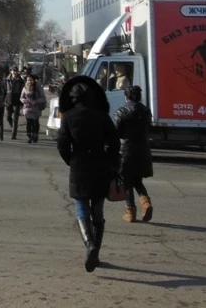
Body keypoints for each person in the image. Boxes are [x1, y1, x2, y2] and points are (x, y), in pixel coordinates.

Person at [56, 76, 120, 273]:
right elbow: (115, 142)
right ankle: (96, 253)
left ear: (74, 98)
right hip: (100, 164)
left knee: (81, 208)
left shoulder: (68, 117)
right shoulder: (102, 116)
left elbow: (62, 144)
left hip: (79, 165)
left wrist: (71, 159)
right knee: (98, 211)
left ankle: (89, 245)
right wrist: (110, 161)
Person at [114, 85, 154, 223]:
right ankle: (146, 203)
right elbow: (148, 128)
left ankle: (130, 211)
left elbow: (116, 132)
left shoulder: (121, 111)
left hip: (126, 150)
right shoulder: (146, 111)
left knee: (126, 182)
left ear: (126, 97)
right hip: (143, 149)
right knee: (137, 180)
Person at [19, 75, 47, 144]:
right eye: (28, 80)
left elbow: (43, 98)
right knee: (29, 122)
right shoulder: (25, 88)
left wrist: (36, 101)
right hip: (27, 108)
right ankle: (29, 136)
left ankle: (35, 135)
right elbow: (21, 97)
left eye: (31, 80)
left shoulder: (38, 88)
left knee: (35, 122)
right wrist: (24, 101)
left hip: (36, 108)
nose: (29, 82)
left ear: (34, 81)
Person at [5, 66, 25, 140]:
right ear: (11, 71)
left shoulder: (20, 80)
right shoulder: (7, 79)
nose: (14, 72)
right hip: (9, 99)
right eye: (13, 70)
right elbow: (4, 90)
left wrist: (22, 102)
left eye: (16, 71)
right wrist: (5, 100)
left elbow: (23, 91)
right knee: (8, 117)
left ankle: (14, 134)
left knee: (15, 118)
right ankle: (14, 127)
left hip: (17, 99)